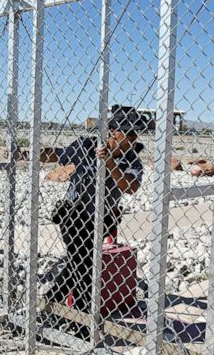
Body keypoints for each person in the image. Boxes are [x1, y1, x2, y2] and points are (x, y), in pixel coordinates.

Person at [23, 107, 145, 311]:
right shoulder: (86, 145)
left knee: (78, 263)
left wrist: (108, 162)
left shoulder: (132, 159)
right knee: (85, 266)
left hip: (101, 219)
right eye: (129, 133)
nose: (133, 139)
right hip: (74, 216)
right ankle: (79, 318)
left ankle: (49, 306)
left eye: (136, 134)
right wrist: (27, 153)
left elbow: (130, 187)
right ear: (114, 132)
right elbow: (58, 154)